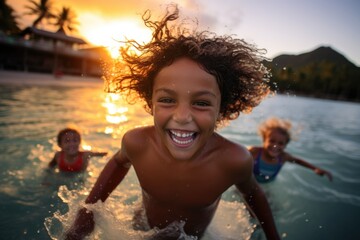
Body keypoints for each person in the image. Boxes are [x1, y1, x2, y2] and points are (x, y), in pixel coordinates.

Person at [65, 5, 280, 240]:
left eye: (201, 103)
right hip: (143, 226)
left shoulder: (233, 160)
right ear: (151, 102)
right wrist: (88, 211)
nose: (182, 116)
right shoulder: (138, 143)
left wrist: (272, 236)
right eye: (167, 100)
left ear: (222, 109)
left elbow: (253, 194)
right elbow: (118, 163)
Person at [249, 117, 333, 183]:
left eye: (280, 143)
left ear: (286, 145)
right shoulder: (255, 152)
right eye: (272, 141)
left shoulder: (283, 157)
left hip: (266, 187)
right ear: (264, 140)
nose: (275, 146)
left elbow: (298, 161)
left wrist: (314, 168)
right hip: (249, 184)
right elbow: (239, 154)